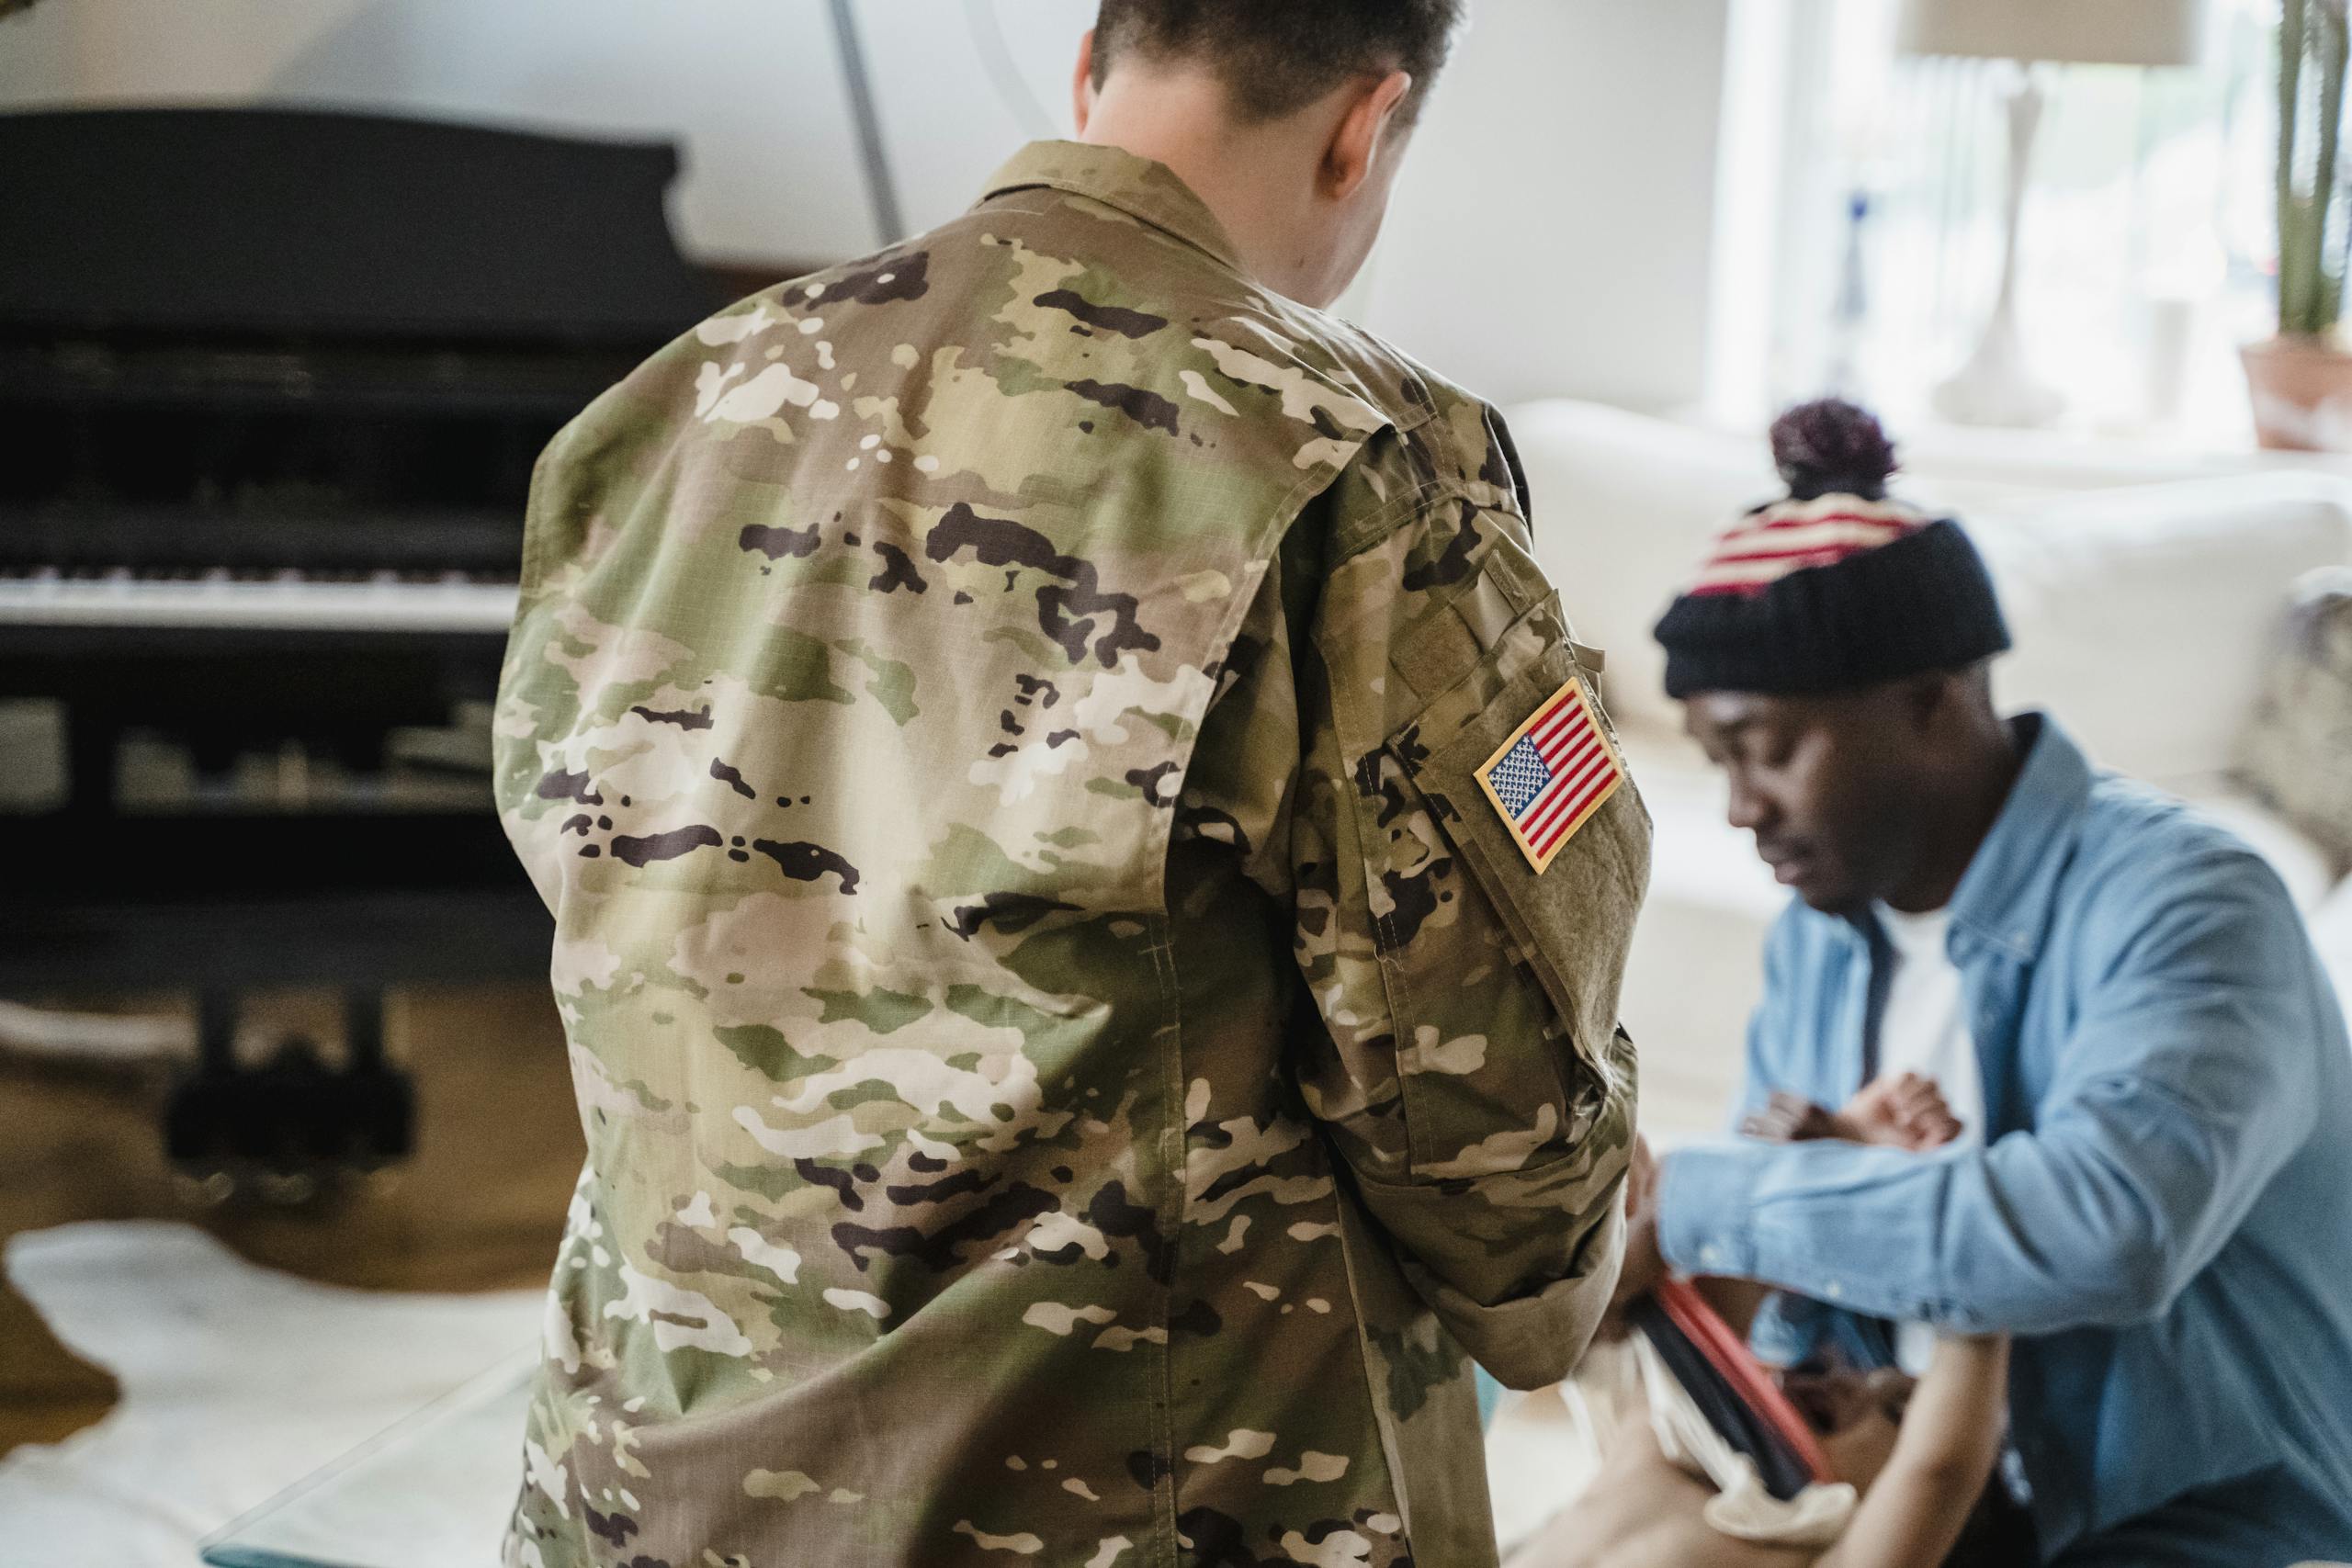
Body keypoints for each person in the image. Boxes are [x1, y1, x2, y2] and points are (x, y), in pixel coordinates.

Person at [492, 4, 1648, 1564]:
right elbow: (1483, 1117)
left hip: (640, 1485)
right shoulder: (1354, 460)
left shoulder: (668, 406)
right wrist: (1590, 1240)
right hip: (1119, 1503)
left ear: (1094, 73)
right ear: (1362, 128)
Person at [1613, 398, 2352, 1565]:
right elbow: (1810, 1279)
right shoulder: (1820, 928)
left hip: (2188, 1522)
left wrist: (1701, 1198)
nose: (1740, 806)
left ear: (1932, 696)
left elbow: (2105, 1227)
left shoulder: (2193, 903)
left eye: (1767, 747)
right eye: (1718, 760)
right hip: (1911, 1492)